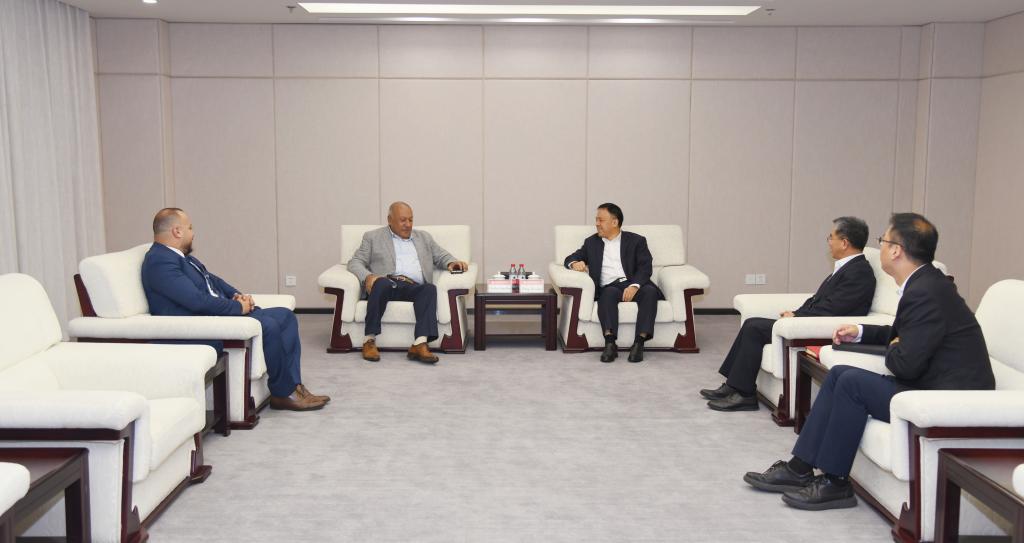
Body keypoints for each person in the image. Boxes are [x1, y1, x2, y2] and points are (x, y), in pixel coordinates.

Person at [744, 213, 994, 511]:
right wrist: (860, 331)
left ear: (896, 250)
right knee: (839, 374)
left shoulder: (925, 291)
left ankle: (836, 483)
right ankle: (799, 468)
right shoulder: (924, 284)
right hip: (932, 383)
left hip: (945, 396)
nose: (881, 247)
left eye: (883, 241)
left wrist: (898, 345)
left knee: (851, 383)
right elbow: (901, 334)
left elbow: (905, 364)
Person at [141, 208, 329, 411]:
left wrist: (236, 295)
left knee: (285, 316)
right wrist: (238, 307)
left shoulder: (181, 257)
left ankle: (293, 387)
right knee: (268, 324)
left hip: (219, 313)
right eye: (190, 227)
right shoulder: (160, 261)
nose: (193, 233)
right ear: (177, 231)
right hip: (201, 322)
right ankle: (283, 394)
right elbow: (196, 301)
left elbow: (213, 280)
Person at [700, 217, 877, 411]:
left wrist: (798, 318)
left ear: (844, 243)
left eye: (831, 237)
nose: (828, 242)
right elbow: (818, 301)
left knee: (754, 327)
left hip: (822, 331)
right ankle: (733, 386)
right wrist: (795, 313)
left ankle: (745, 395)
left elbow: (834, 309)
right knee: (752, 323)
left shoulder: (859, 272)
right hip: (808, 322)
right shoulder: (848, 268)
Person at [347, 201, 468, 364]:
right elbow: (355, 262)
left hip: (413, 286)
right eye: (403, 220)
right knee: (381, 283)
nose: (408, 224)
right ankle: (369, 340)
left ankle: (419, 344)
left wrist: (452, 262)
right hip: (387, 284)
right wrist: (368, 277)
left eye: (411, 220)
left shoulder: (424, 237)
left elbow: (441, 255)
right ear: (390, 220)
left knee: (429, 289)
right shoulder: (372, 237)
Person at [562, 203, 661, 363]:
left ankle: (639, 343)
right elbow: (569, 258)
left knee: (650, 292)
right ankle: (610, 343)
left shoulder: (637, 241)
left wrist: (634, 286)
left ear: (615, 222)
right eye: (596, 220)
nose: (597, 224)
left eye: (601, 220)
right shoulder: (592, 243)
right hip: (611, 287)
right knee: (606, 295)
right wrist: (575, 264)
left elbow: (645, 267)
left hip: (633, 283)